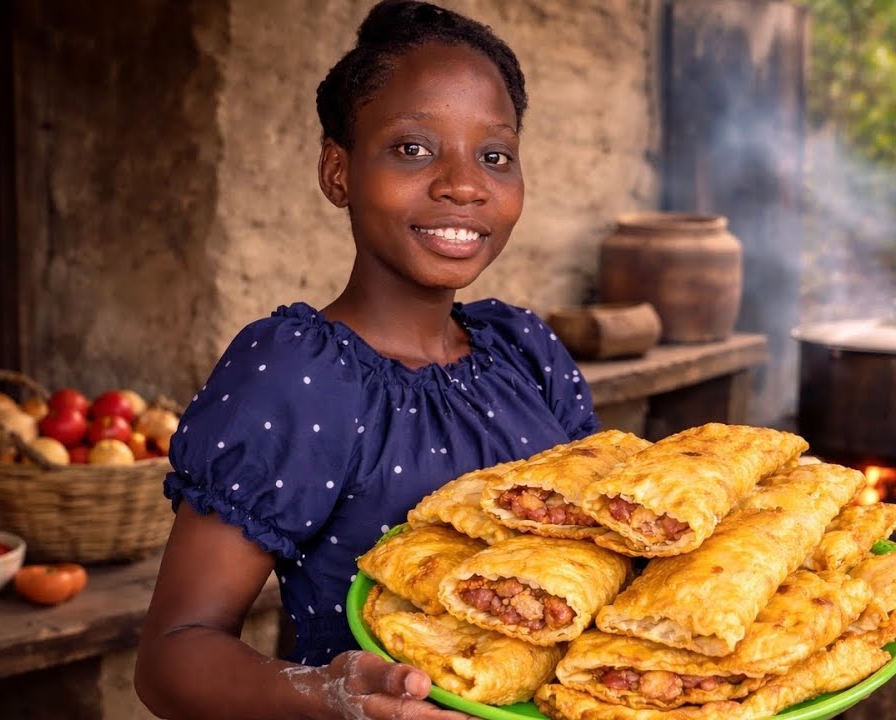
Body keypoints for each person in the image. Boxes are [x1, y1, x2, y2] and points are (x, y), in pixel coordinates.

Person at [135, 2, 593, 718]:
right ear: (338, 171)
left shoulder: (525, 354)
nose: (463, 183)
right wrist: (328, 695)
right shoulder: (299, 376)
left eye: (494, 156)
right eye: (414, 148)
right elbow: (171, 656)